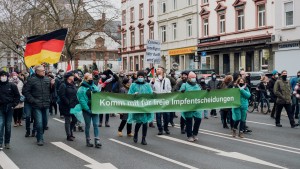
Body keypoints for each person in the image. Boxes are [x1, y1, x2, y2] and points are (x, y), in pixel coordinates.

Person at [23, 65, 54, 146]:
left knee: (45, 123)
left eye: (44, 70)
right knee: (39, 123)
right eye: (42, 71)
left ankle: (40, 134)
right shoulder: (31, 80)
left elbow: (51, 91)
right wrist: (32, 100)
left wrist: (52, 85)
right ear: (37, 71)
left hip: (46, 104)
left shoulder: (47, 79)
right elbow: (25, 92)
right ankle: (40, 139)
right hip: (36, 105)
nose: (44, 72)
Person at [127, 71, 154, 145]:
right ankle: (135, 134)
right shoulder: (133, 85)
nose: (140, 78)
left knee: (145, 123)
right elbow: (129, 94)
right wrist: (133, 94)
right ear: (137, 77)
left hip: (144, 106)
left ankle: (143, 138)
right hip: (137, 107)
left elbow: (150, 93)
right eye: (139, 77)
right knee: (138, 122)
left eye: (142, 77)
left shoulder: (147, 85)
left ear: (144, 77)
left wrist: (153, 94)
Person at [77, 73, 102, 148]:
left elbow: (98, 93)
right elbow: (81, 100)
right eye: (90, 78)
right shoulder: (81, 89)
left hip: (95, 108)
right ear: (85, 79)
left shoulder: (93, 85)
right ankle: (88, 140)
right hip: (87, 109)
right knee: (88, 125)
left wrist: (95, 91)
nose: (91, 79)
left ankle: (97, 140)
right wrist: (87, 109)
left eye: (92, 78)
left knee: (96, 124)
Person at [0, 71, 20, 150]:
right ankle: (0, 142)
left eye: (5, 75)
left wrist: (13, 105)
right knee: (0, 125)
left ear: (7, 77)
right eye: (2, 75)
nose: (3, 77)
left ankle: (7, 142)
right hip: (0, 108)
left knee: (8, 126)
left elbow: (17, 96)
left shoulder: (12, 85)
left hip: (9, 108)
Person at [180, 72, 203, 142]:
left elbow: (202, 93)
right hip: (188, 106)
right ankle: (189, 135)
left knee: (198, 119)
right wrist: (182, 92)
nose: (194, 79)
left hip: (196, 106)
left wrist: (207, 91)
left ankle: (195, 134)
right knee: (189, 121)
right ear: (189, 78)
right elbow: (179, 94)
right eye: (192, 78)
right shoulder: (184, 85)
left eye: (194, 78)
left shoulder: (197, 85)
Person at [151, 66, 172, 135]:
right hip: (158, 100)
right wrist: (152, 83)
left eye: (159, 69)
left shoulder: (167, 80)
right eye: (157, 69)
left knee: (167, 115)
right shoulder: (153, 80)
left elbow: (169, 89)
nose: (158, 70)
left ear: (162, 71)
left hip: (165, 100)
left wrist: (167, 94)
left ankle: (165, 127)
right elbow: (150, 89)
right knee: (158, 116)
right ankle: (160, 129)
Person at [58, 72, 79, 141]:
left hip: (74, 105)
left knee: (75, 120)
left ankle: (70, 131)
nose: (73, 77)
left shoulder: (73, 84)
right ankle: (69, 135)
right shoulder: (63, 85)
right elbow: (62, 95)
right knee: (67, 120)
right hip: (66, 105)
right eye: (72, 76)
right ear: (68, 77)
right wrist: (68, 102)